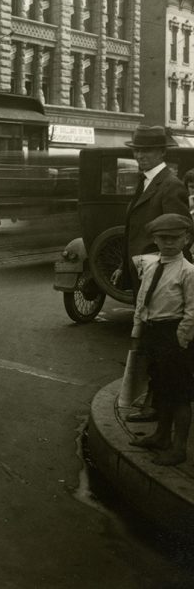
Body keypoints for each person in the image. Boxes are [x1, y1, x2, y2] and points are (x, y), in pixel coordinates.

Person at [110, 125, 190, 423]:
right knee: (147, 344)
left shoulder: (170, 186)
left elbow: (182, 233)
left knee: (159, 348)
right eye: (137, 150)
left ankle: (157, 407)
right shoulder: (146, 182)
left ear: (161, 152)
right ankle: (153, 403)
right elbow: (132, 231)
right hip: (145, 277)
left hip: (161, 282)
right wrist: (123, 265)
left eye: (146, 150)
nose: (140, 155)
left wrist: (158, 268)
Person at [128, 213, 194, 466]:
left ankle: (179, 448)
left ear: (186, 239)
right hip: (153, 332)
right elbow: (142, 301)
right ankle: (161, 437)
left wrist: (182, 338)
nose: (168, 243)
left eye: (174, 238)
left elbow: (191, 310)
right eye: (162, 238)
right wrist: (137, 332)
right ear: (154, 239)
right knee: (161, 389)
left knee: (179, 394)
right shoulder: (152, 266)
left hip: (174, 336)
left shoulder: (188, 272)